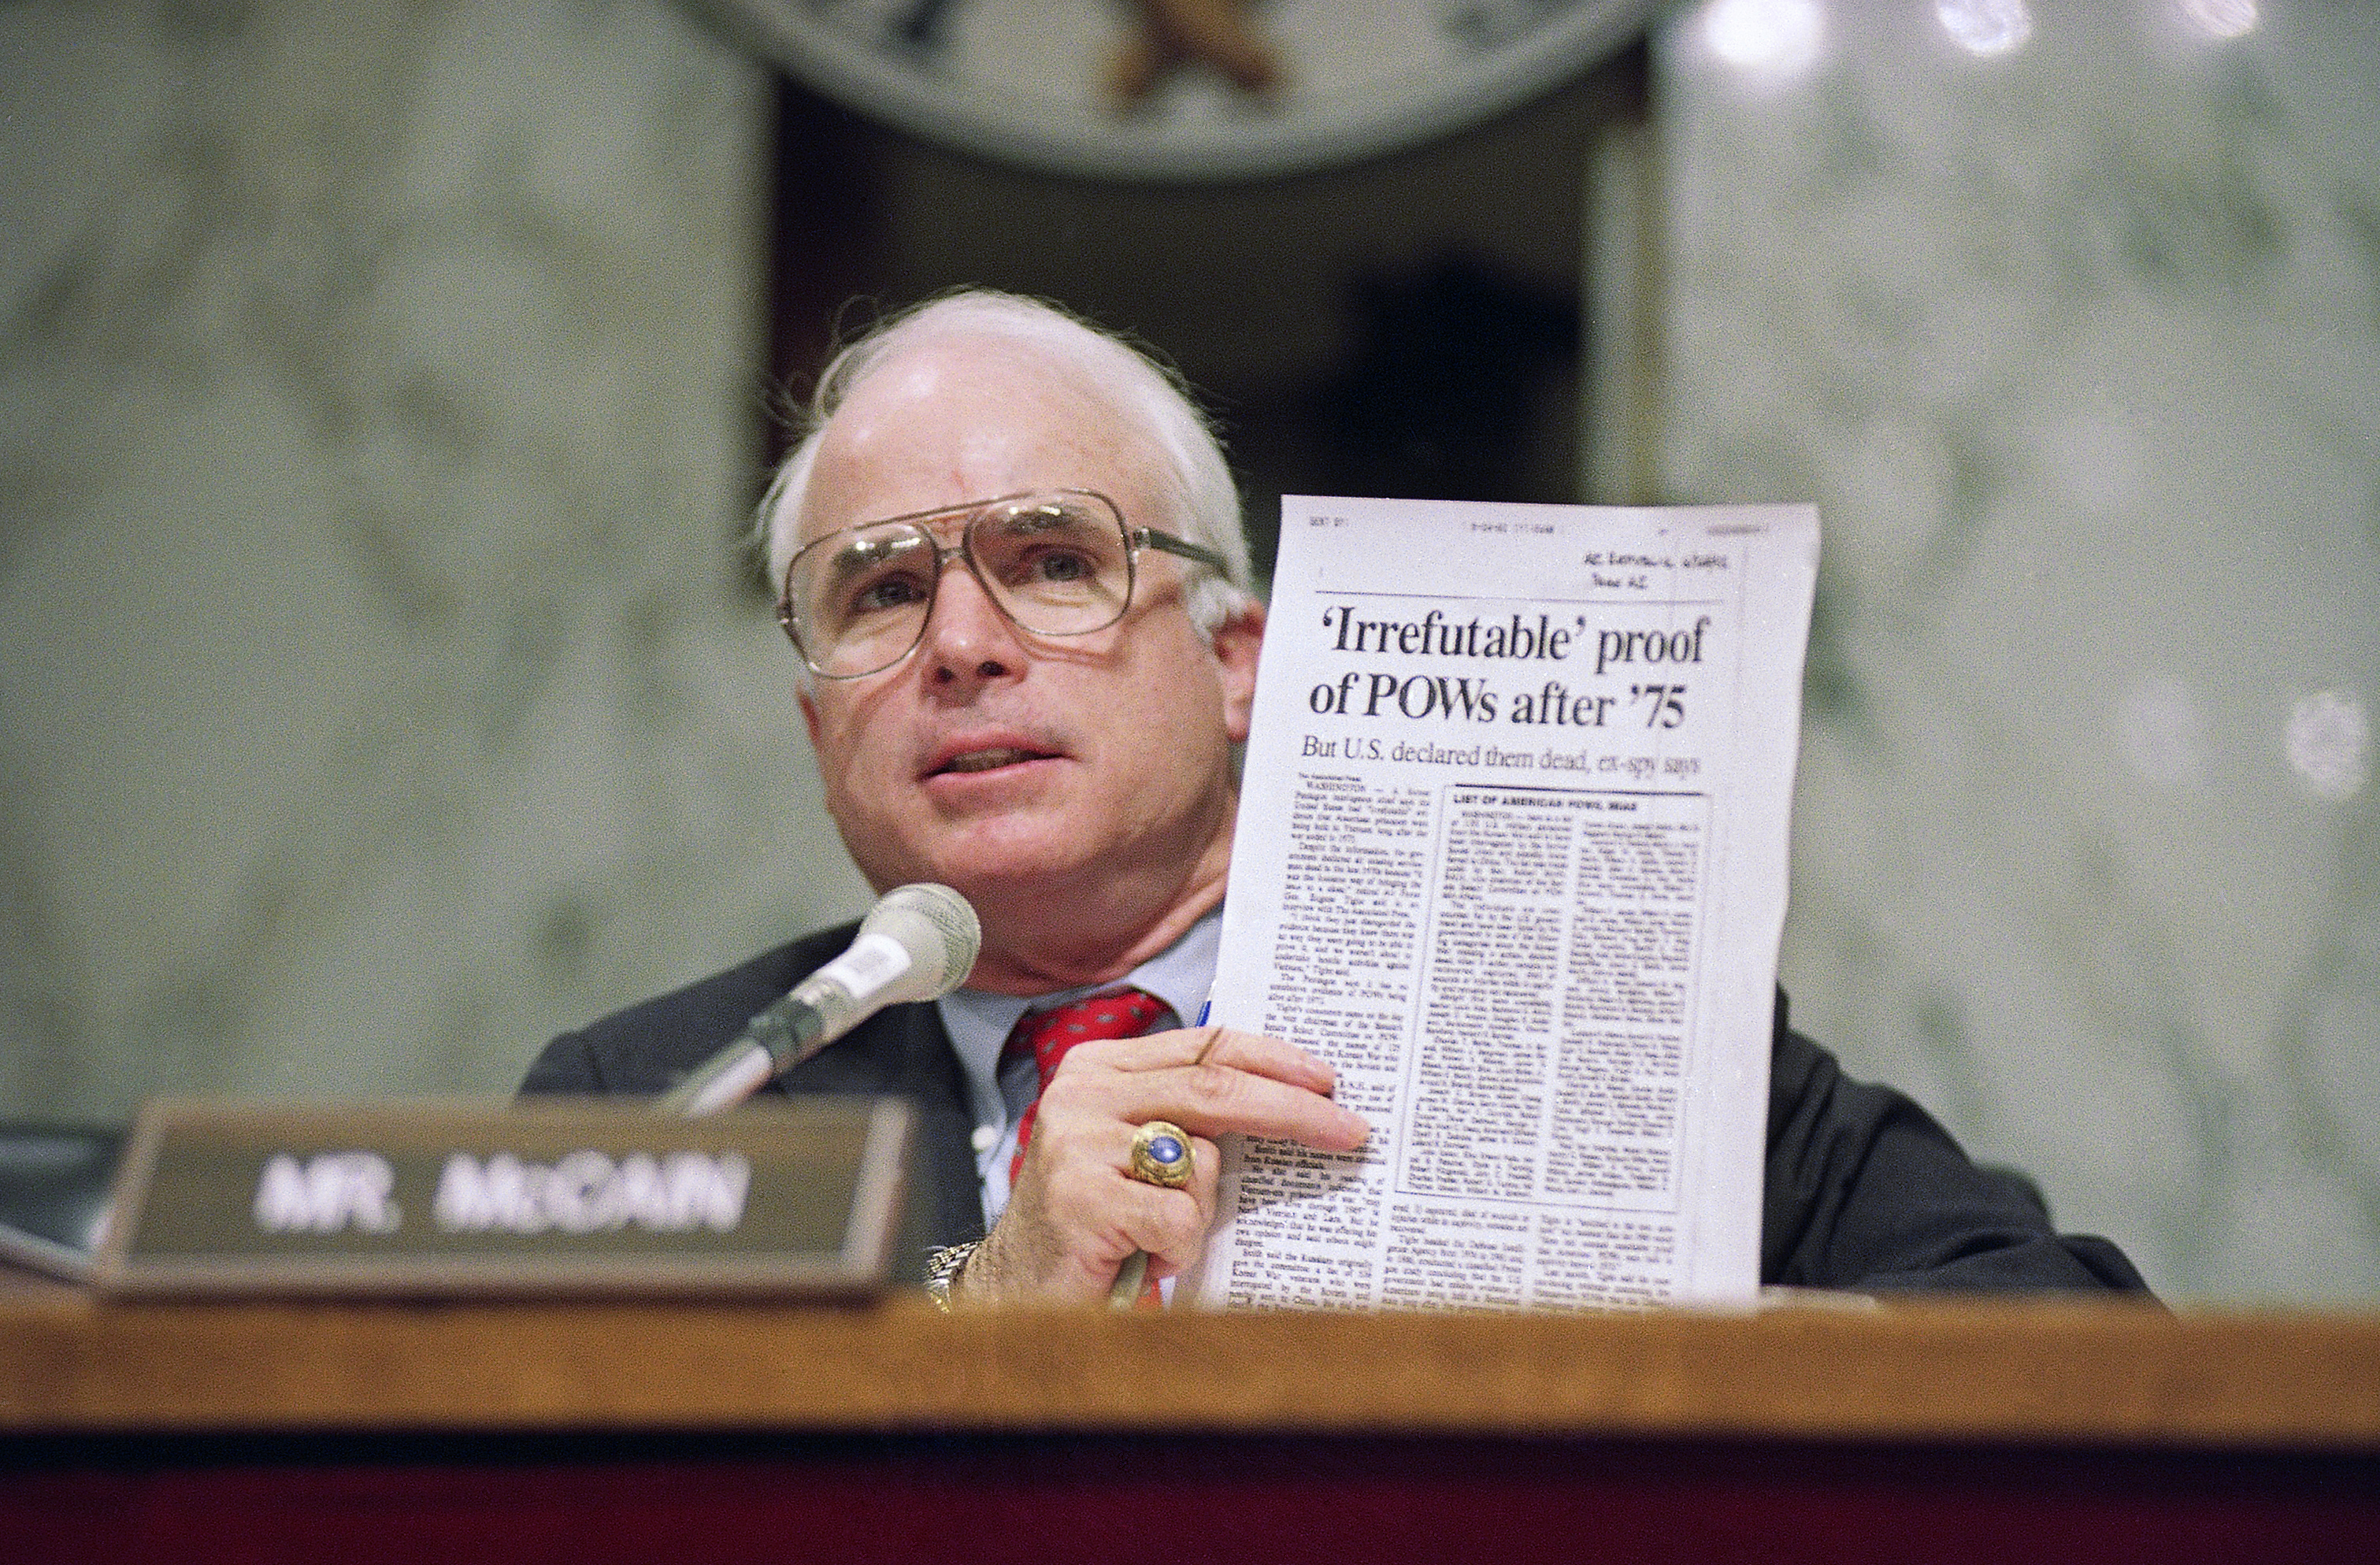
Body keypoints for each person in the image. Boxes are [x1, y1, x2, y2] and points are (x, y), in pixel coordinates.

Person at [522, 290, 2148, 1305]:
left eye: (1051, 562)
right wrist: (977, 1322)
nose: (959, 643)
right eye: (877, 594)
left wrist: (1692, 1339)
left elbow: (2068, 1342)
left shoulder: (1570, 1010)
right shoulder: (659, 1096)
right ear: (821, 735)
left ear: (1240, 660)